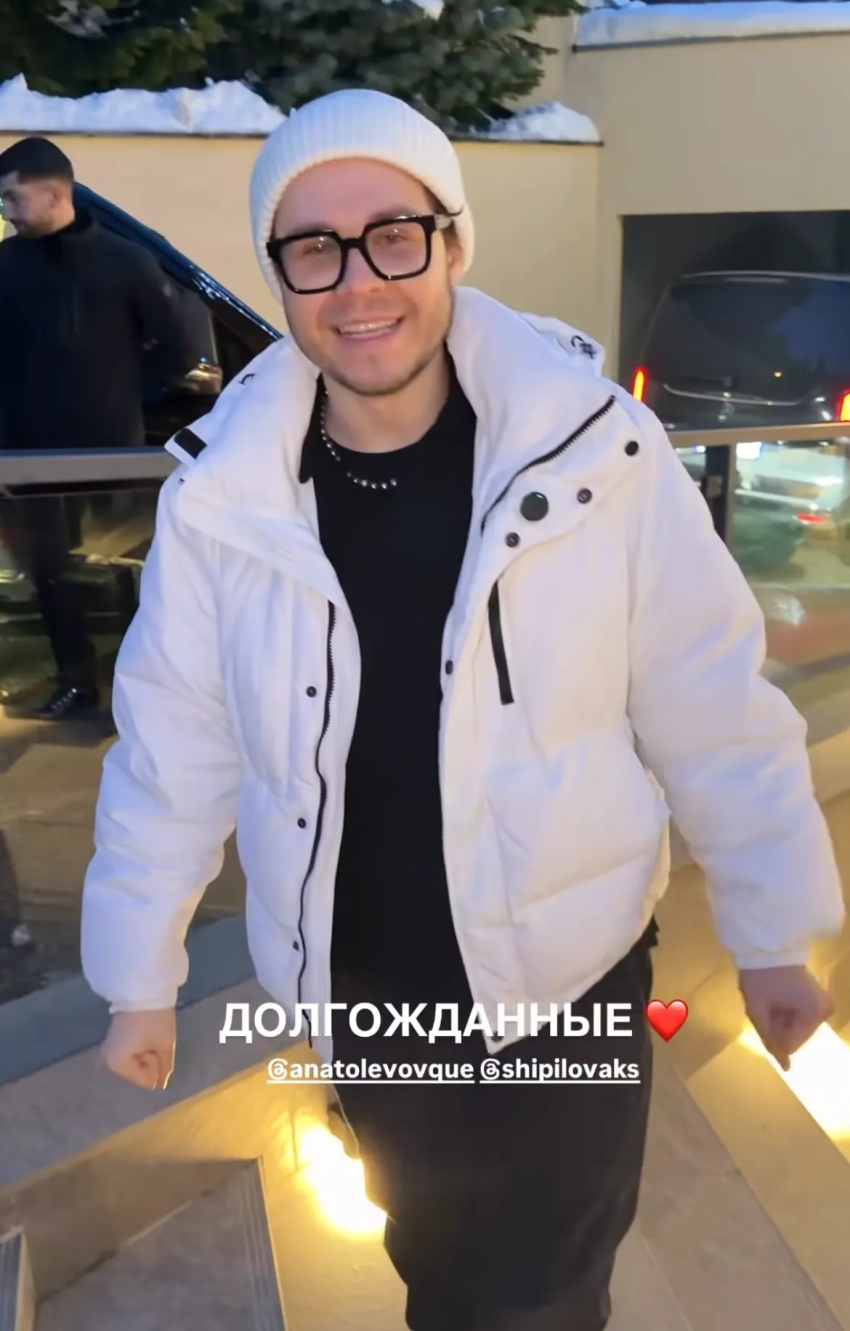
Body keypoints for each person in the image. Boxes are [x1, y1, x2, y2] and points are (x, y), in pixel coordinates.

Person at [81, 90, 845, 1331]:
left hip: (566, 974)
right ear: (278, 273)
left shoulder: (595, 452)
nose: (358, 282)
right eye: (314, 248)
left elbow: (708, 697)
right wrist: (137, 975)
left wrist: (771, 927)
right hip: (361, 984)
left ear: (450, 243)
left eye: (394, 235)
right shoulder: (227, 496)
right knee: (433, 1258)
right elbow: (174, 745)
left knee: (535, 1293)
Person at [0, 136, 188, 720]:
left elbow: (177, 351)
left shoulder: (125, 263)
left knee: (122, 574)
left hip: (111, 455)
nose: (6, 211)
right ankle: (76, 682)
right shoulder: (6, 266)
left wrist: (127, 399)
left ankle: (144, 692)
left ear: (56, 194)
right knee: (52, 576)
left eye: (13, 198)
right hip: (29, 459)